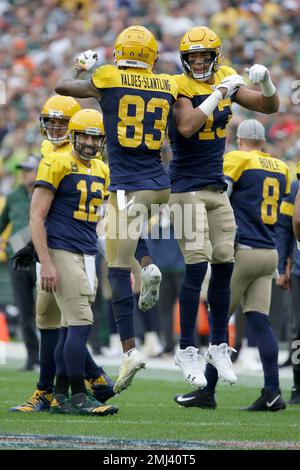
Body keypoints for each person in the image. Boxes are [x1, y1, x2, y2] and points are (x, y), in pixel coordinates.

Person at [55, 25, 178, 392]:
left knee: (115, 268)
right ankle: (149, 264)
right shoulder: (168, 83)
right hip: (160, 186)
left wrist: (80, 66)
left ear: (120, 51)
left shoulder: (107, 76)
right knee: (128, 229)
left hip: (127, 187)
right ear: (151, 56)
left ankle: (129, 350)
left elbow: (63, 88)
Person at [167, 26, 279, 390]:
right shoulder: (180, 85)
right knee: (197, 265)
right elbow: (186, 126)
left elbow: (268, 107)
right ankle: (186, 348)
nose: (198, 63)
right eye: (192, 58)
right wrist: (219, 93)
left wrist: (267, 84)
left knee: (224, 264)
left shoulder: (224, 76)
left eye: (203, 57)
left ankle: (217, 345)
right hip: (185, 188)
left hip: (215, 189)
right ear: (184, 60)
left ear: (214, 56)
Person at [10, 96, 115, 413]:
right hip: (60, 250)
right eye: (83, 135)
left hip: (82, 249)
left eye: (94, 137)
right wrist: (41, 256)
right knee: (65, 321)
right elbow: (38, 214)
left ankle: (58, 392)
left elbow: (86, 215)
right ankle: (75, 393)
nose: (88, 142)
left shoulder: (101, 169)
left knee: (59, 322)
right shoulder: (54, 160)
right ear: (75, 135)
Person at [175, 119, 289, 411]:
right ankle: (273, 391)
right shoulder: (281, 167)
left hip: (244, 249)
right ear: (262, 140)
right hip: (270, 252)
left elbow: (219, 194)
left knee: (218, 318)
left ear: (240, 140)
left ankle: (206, 392)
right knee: (260, 320)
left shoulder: (237, 159)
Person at [0, 155, 40, 371]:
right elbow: (2, 222)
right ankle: (32, 358)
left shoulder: (46, 192)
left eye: (29, 169)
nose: (25, 173)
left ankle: (48, 356)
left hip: (41, 257)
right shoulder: (14, 195)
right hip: (17, 258)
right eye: (23, 170)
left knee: (45, 309)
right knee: (25, 311)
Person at [276, 170, 300, 405]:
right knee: (298, 330)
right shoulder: (294, 188)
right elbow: (283, 228)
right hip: (298, 267)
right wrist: (282, 266)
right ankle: (297, 384)